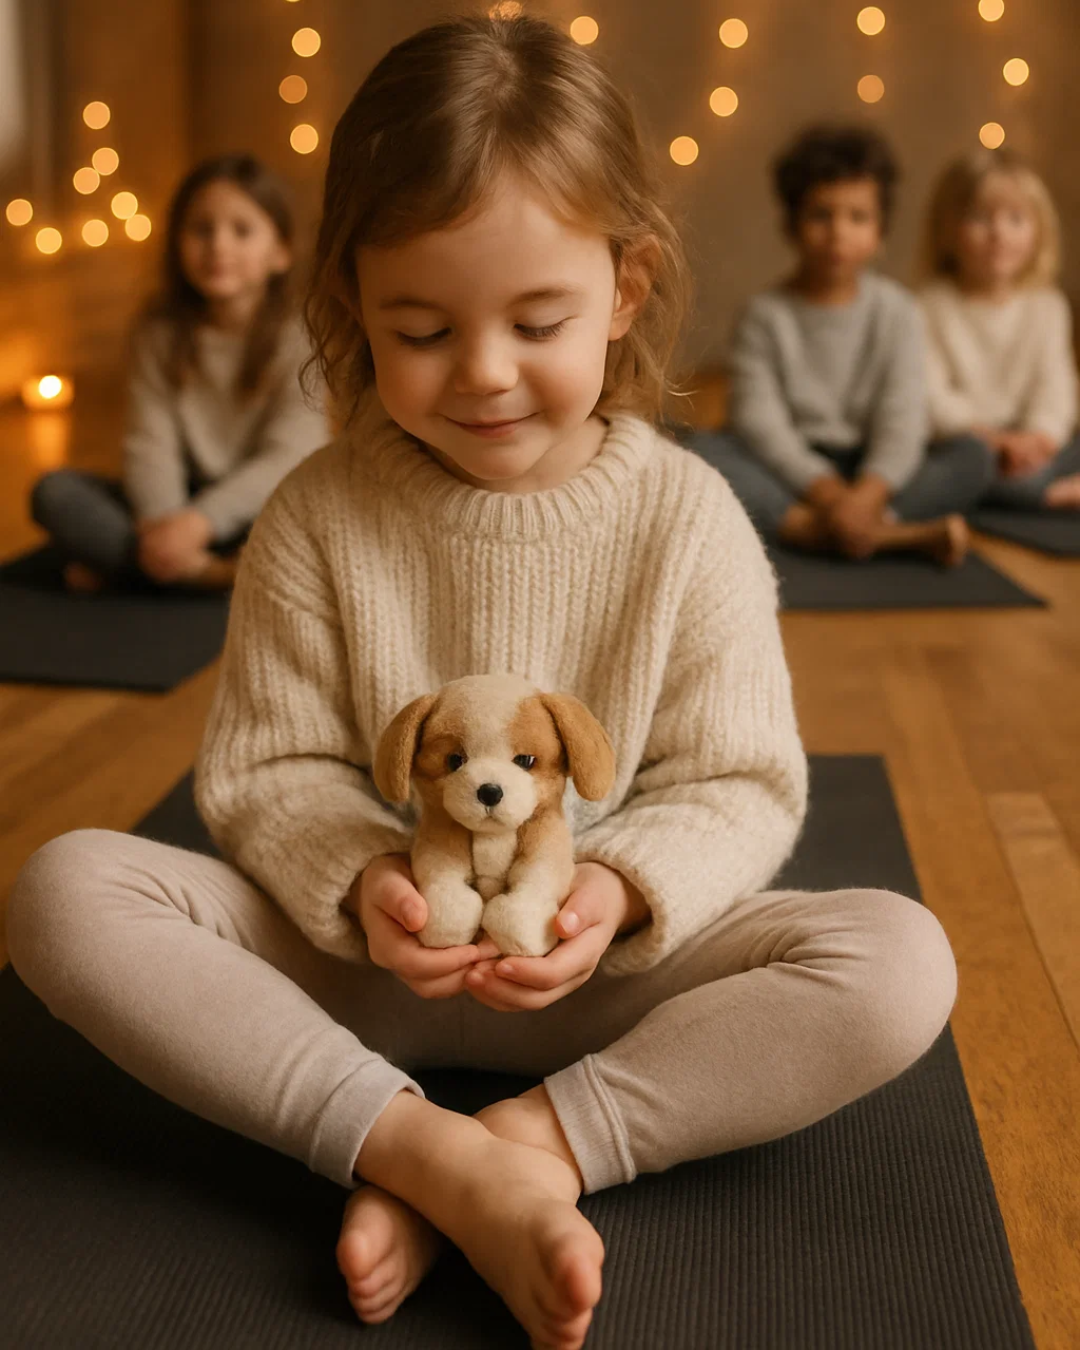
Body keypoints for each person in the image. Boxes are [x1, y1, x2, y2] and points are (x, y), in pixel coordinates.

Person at [7, 17, 956, 1349]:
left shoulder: (688, 517)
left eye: (538, 319)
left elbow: (735, 781)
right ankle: (424, 1151)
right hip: (364, 965)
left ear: (625, 289)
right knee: (66, 890)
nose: (487, 371)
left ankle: (526, 1143)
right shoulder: (316, 514)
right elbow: (266, 770)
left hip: (601, 979)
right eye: (422, 326)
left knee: (902, 959)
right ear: (351, 302)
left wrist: (615, 890)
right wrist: (367, 883)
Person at [689, 125, 992, 564]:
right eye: (820, 215)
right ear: (791, 224)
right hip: (793, 474)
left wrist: (866, 493)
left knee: (974, 455)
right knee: (698, 449)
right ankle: (870, 533)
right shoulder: (764, 316)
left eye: (857, 217)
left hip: (875, 471)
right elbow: (760, 424)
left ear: (880, 230)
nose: (838, 233)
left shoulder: (898, 312)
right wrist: (830, 496)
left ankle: (835, 528)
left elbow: (903, 419)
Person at [29, 154, 329, 591]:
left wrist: (199, 523)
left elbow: (289, 457)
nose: (218, 246)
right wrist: (164, 527)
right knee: (53, 493)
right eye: (201, 229)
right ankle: (212, 576)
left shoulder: (300, 336)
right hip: (178, 507)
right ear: (177, 242)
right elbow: (149, 445)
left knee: (319, 520)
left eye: (241, 231)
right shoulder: (158, 333)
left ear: (280, 252)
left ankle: (134, 573)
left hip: (257, 506)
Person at [919, 146, 1080, 512]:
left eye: (1015, 219)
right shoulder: (928, 306)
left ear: (1039, 230)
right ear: (947, 228)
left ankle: (1039, 487)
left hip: (1033, 448)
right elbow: (932, 400)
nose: (998, 233)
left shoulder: (1047, 305)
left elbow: (1056, 389)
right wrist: (997, 442)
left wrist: (1040, 439)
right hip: (970, 445)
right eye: (979, 218)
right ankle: (1049, 496)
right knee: (957, 467)